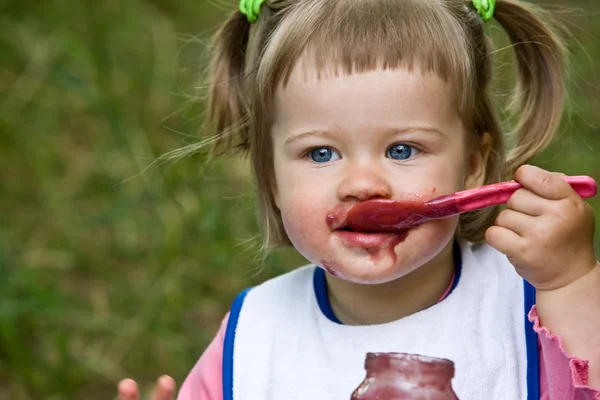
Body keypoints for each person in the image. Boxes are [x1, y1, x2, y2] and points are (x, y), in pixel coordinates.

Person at [117, 0, 600, 399]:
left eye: (402, 149)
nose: (362, 183)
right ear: (271, 179)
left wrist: (570, 279)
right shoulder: (255, 336)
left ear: (473, 164)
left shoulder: (526, 302)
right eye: (321, 153)